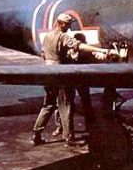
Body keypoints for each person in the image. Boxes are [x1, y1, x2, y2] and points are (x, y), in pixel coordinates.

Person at [32, 13, 116, 146]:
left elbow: (43, 54)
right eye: (67, 25)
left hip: (47, 74)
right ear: (60, 24)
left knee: (48, 105)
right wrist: (103, 51)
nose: (69, 28)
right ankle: (69, 138)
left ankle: (36, 134)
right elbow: (80, 46)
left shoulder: (48, 36)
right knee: (66, 105)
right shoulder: (63, 37)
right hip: (60, 75)